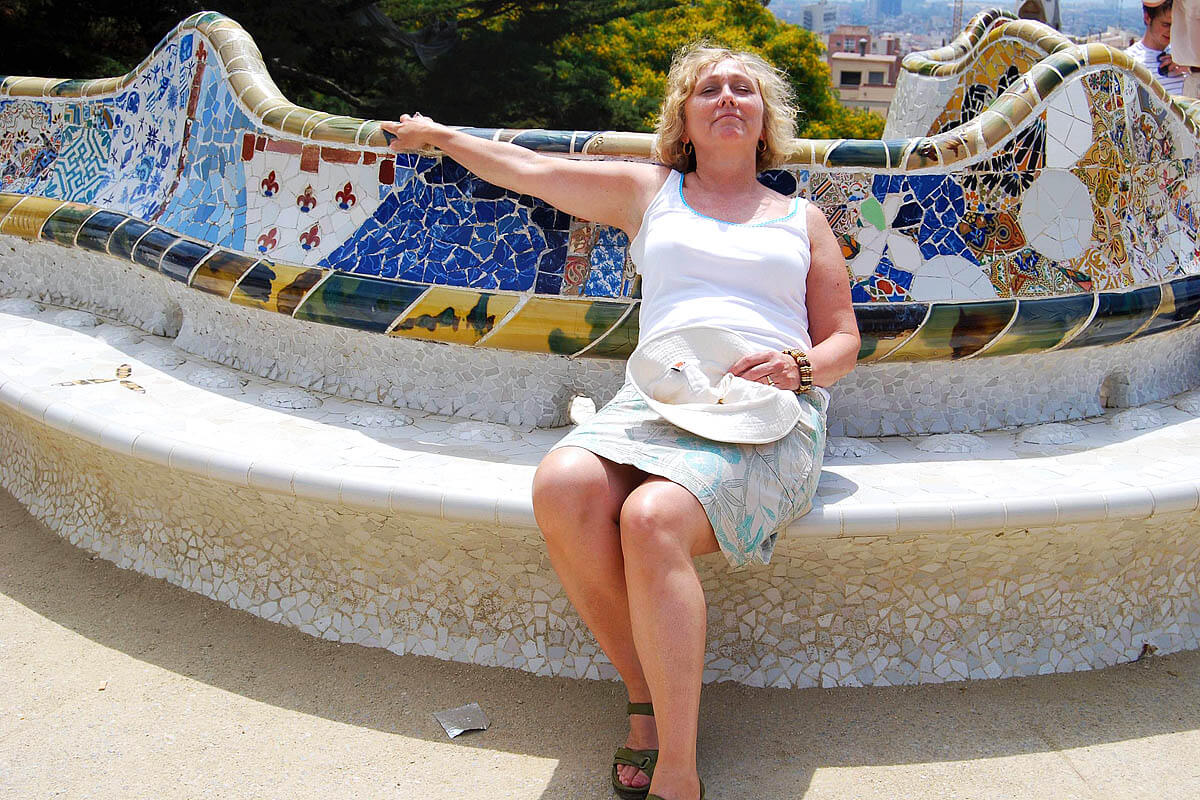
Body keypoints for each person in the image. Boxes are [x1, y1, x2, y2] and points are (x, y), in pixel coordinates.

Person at [384, 42, 859, 800]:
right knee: (563, 484)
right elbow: (532, 172)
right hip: (659, 399)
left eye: (745, 89)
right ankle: (645, 696)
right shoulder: (651, 192)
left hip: (767, 409)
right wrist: (442, 135)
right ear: (685, 118)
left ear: (766, 118)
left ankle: (676, 766)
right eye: (710, 90)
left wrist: (799, 368)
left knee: (650, 519)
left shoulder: (800, 218)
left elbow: (842, 339)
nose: (728, 98)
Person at [1126, 0, 1187, 95]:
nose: (1171, 31)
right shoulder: (1129, 61)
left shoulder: (1186, 58)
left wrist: (1191, 68)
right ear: (1147, 18)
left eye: (1176, 25)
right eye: (1166, 25)